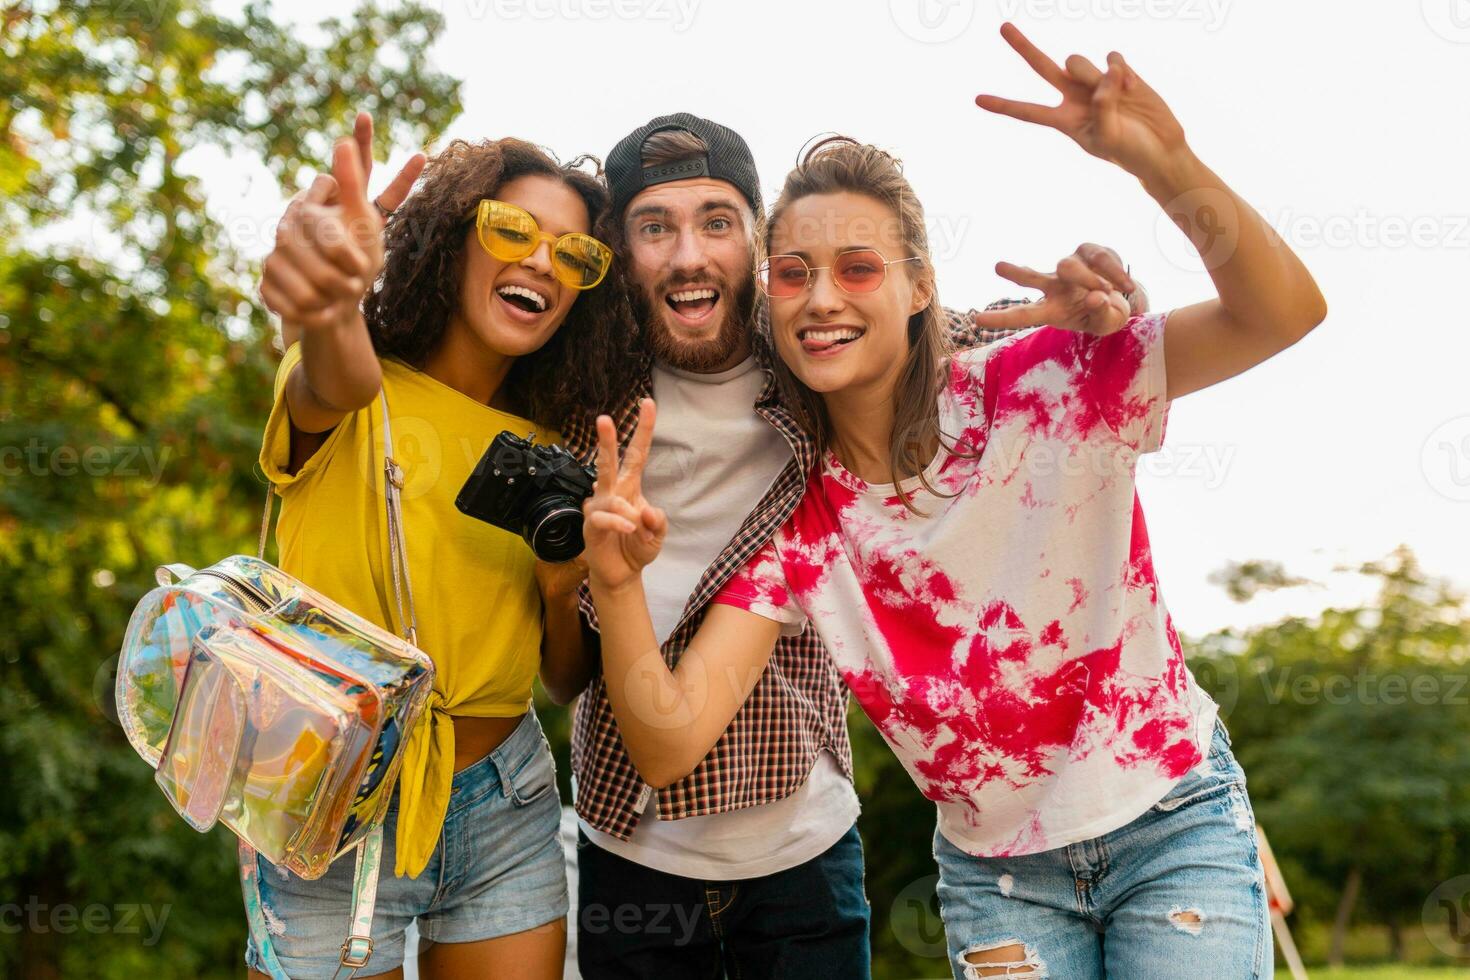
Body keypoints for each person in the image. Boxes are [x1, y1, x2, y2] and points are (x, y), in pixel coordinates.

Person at [580, 24, 1327, 980]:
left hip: (1170, 825)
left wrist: (1165, 163)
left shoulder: (1047, 385)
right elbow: (670, 741)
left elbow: (1283, 314)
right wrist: (612, 585)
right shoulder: (804, 528)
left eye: (858, 268)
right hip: (998, 880)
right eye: (795, 274)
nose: (821, 299)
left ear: (921, 284)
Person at [553, 112, 1145, 977]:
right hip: (629, 842)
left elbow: (917, 336)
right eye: (654, 228)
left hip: (803, 844)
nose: (688, 256)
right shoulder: (575, 391)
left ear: (756, 242)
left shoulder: (808, 358)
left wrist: (1086, 315)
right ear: (618, 248)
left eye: (717, 221)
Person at [251, 120, 620, 979]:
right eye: (513, 231)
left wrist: (566, 589)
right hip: (329, 796)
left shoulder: (552, 450)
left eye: (573, 255)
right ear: (454, 241)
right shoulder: (355, 389)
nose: (541, 263)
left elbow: (563, 681)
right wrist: (334, 301)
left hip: (507, 802)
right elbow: (335, 368)